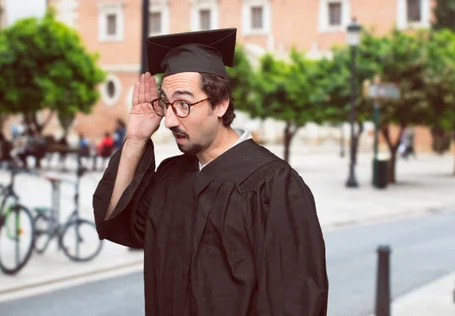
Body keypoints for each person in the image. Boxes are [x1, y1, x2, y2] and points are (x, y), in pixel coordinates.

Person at [92, 28, 328, 315]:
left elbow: (294, 299)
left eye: (183, 104)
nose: (168, 120)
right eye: (166, 103)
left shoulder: (273, 185)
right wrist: (136, 140)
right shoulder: (171, 176)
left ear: (220, 103)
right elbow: (118, 223)